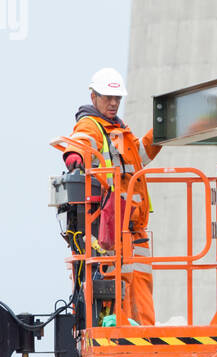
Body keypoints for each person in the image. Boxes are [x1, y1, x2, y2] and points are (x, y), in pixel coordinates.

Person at [61, 68, 161, 325]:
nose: (114, 102)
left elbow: (139, 156)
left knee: (140, 286)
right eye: (107, 97)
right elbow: (81, 142)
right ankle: (115, 327)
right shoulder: (91, 124)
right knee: (113, 285)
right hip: (110, 226)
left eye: (117, 98)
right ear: (93, 97)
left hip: (133, 227)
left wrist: (160, 135)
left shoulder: (119, 129)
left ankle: (145, 334)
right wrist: (74, 157)